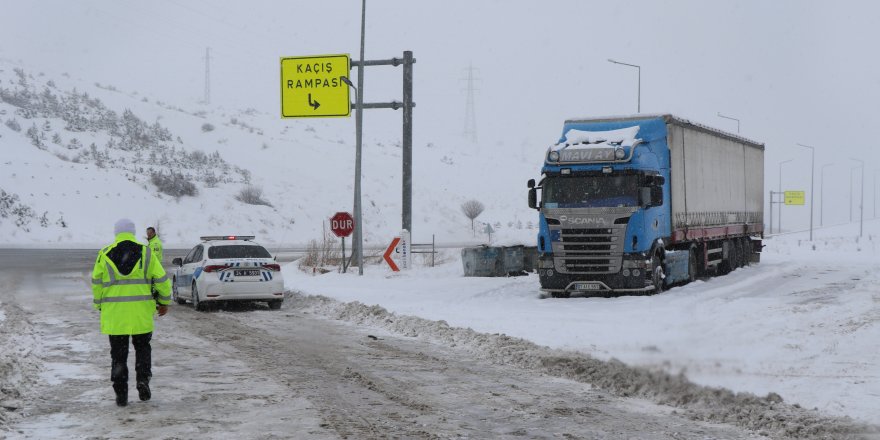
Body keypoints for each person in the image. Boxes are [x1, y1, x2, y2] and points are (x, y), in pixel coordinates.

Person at [91, 218, 171, 407]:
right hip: (141, 314)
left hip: (115, 316)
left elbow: (96, 283)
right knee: (143, 349)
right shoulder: (147, 252)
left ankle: (121, 392)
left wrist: (100, 305)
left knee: (118, 355)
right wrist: (163, 302)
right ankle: (143, 380)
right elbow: (162, 280)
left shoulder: (104, 254)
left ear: (116, 232)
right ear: (133, 232)